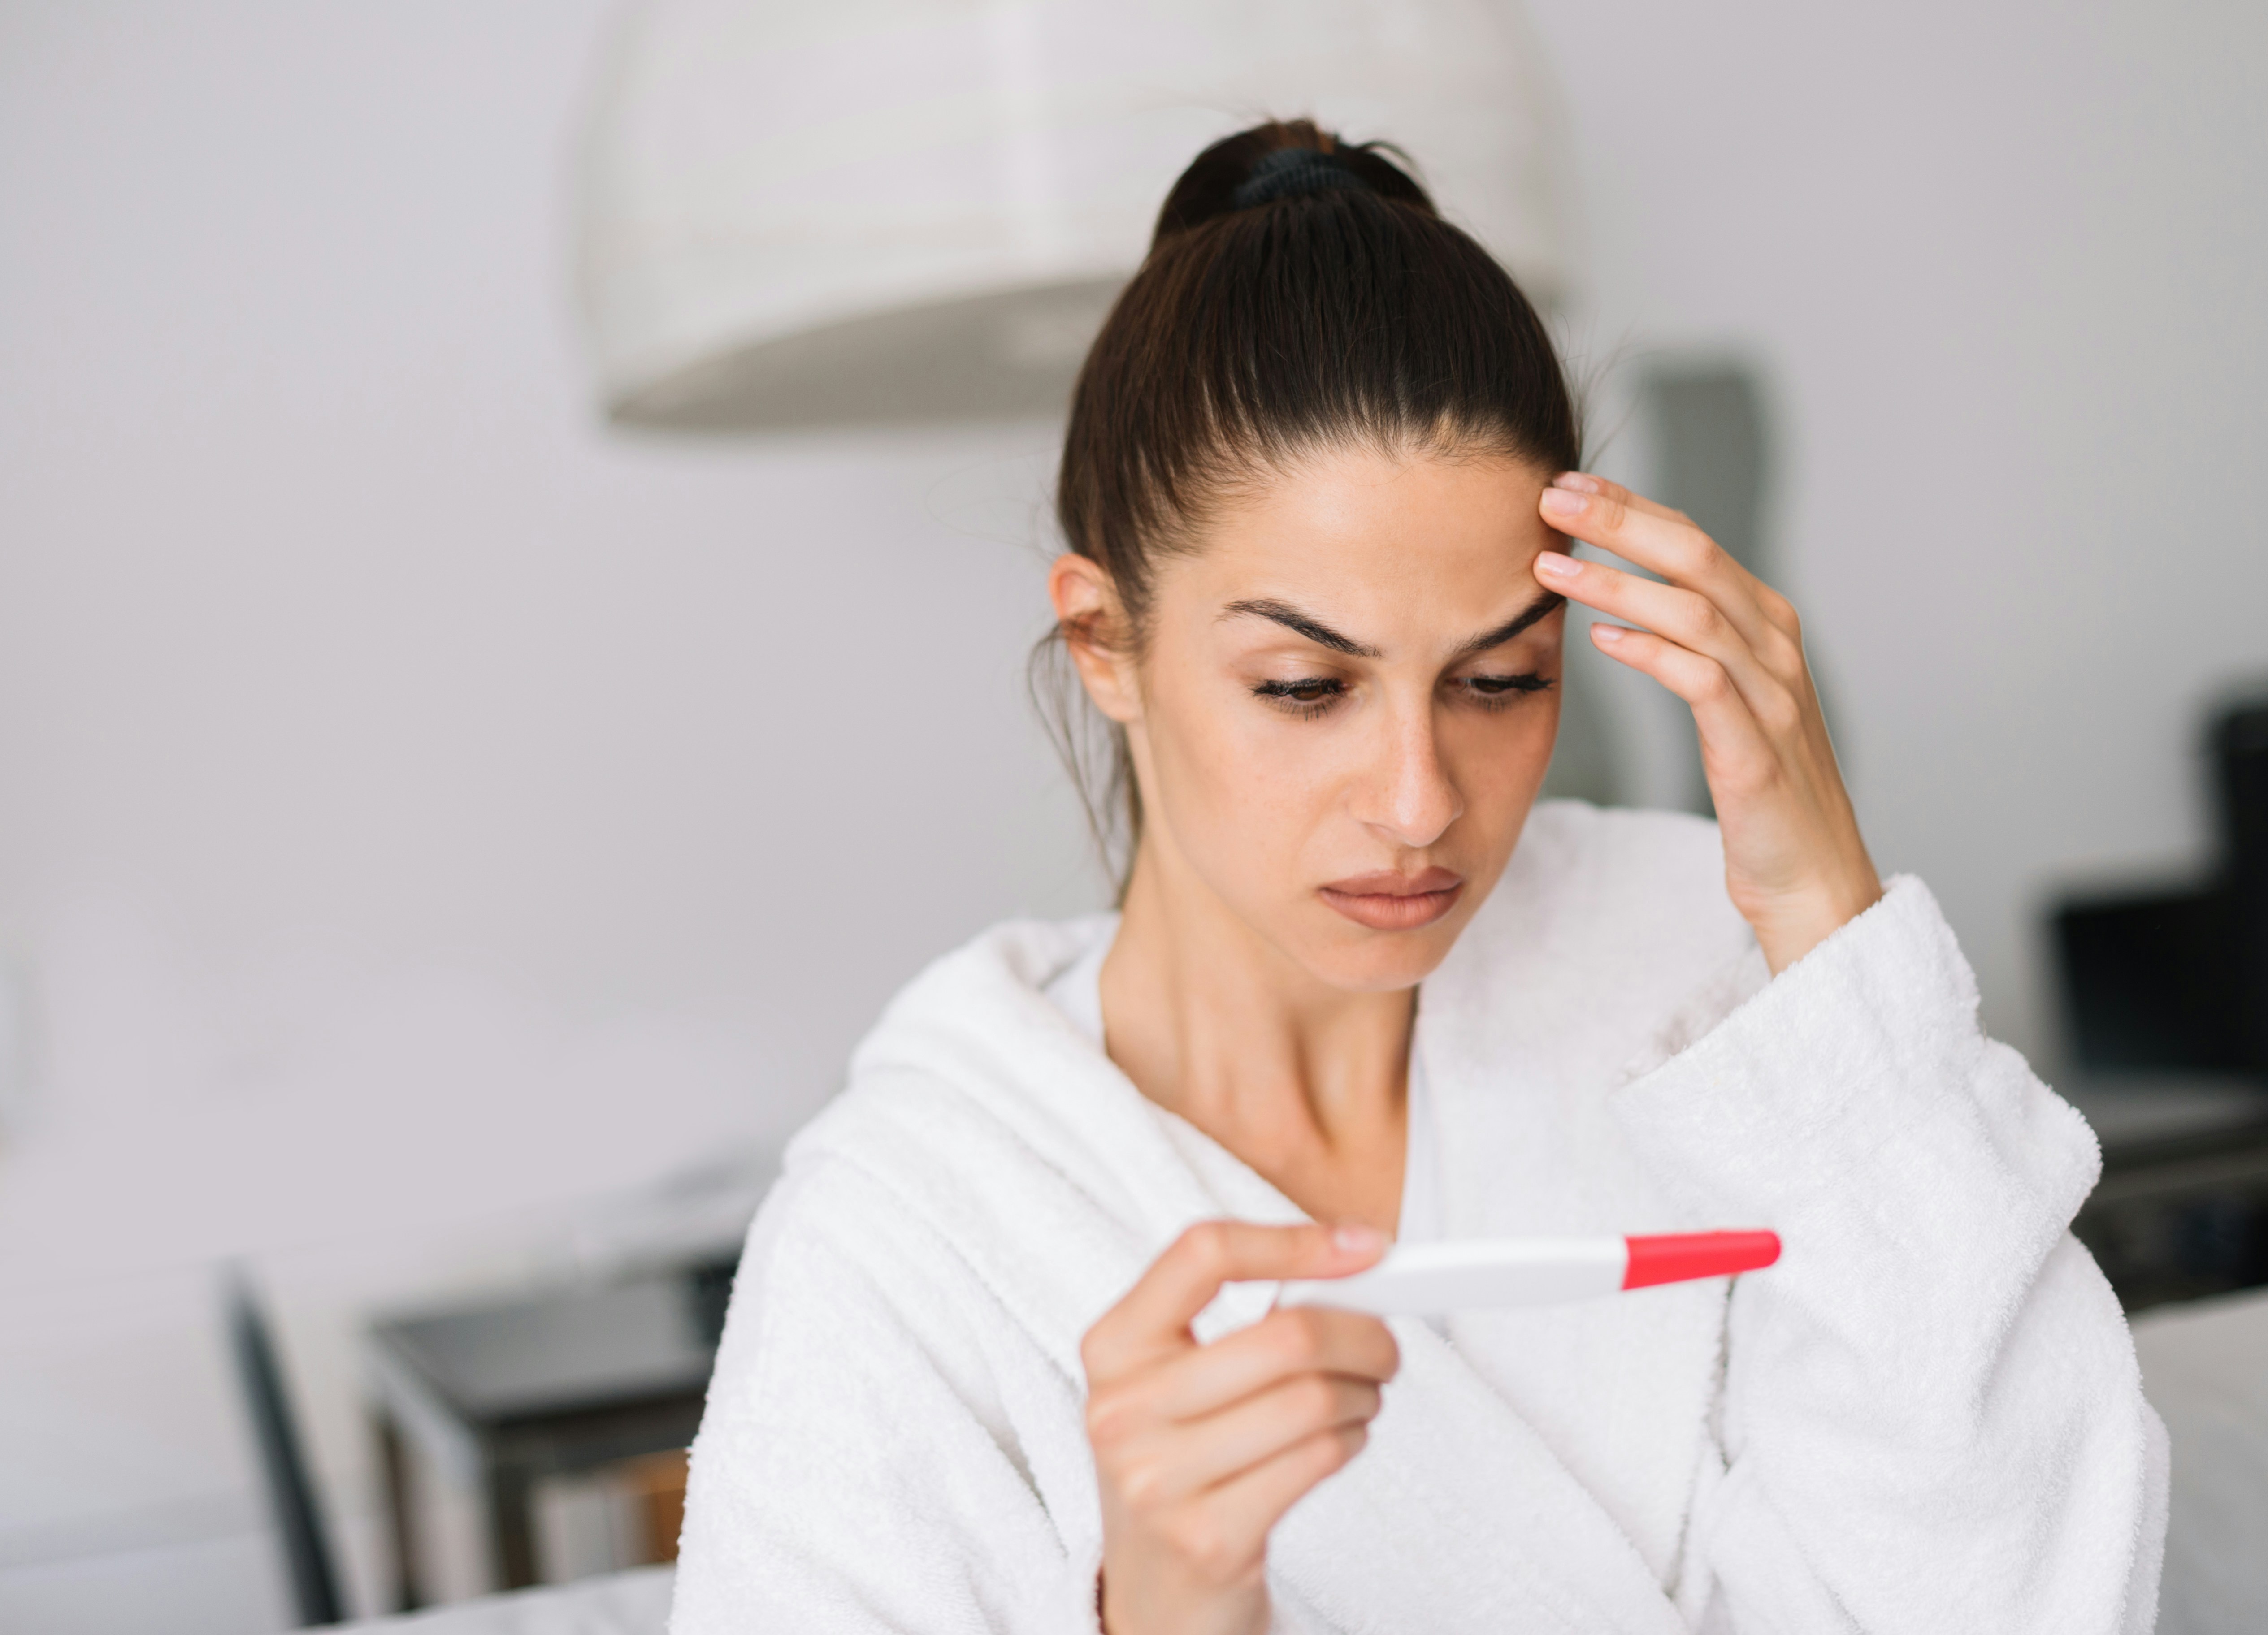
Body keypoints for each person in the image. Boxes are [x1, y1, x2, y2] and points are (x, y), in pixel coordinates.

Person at [670, 121, 2167, 1635]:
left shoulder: (1720, 999)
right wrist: (1165, 1613)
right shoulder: (913, 1232)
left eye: (1501, 680)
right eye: (1307, 688)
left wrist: (1828, 930)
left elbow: (2029, 1591)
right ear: (1104, 642)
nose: (1419, 803)